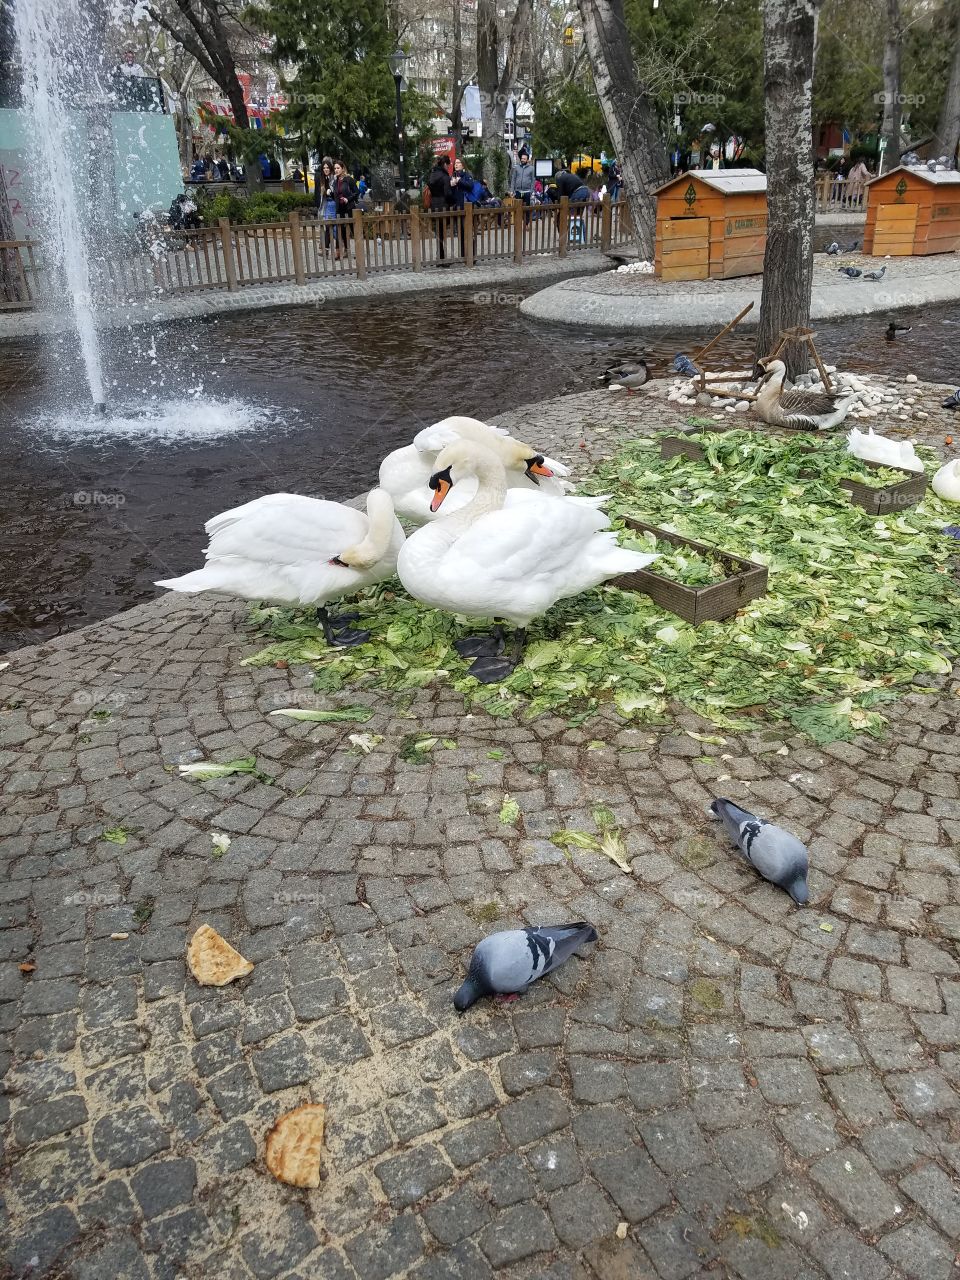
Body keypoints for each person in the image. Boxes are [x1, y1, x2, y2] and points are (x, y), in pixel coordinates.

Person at [426, 154, 456, 263]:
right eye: (448, 165)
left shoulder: (432, 175)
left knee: (439, 233)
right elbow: (447, 194)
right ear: (444, 164)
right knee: (443, 232)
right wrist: (453, 201)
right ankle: (442, 258)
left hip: (434, 205)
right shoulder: (445, 177)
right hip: (443, 206)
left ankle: (439, 256)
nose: (448, 167)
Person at [330, 158, 358, 258]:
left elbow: (356, 193)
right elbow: (335, 196)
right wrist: (331, 193)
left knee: (353, 229)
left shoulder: (349, 180)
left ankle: (359, 251)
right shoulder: (335, 181)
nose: (336, 170)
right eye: (335, 168)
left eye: (338, 168)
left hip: (349, 208)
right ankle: (346, 250)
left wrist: (348, 199)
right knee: (341, 230)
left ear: (342, 169)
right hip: (339, 208)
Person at [314, 156, 337, 253]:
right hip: (325, 204)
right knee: (327, 225)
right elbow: (317, 192)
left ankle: (337, 247)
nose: (326, 169)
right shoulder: (321, 178)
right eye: (324, 167)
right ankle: (325, 247)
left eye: (327, 167)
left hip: (333, 204)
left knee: (332, 226)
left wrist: (331, 192)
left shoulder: (334, 177)